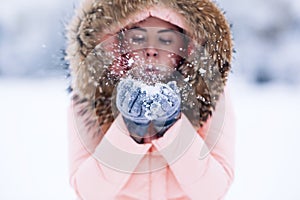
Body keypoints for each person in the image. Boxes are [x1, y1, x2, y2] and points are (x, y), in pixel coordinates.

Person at [66, 0, 235, 199]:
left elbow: (213, 191)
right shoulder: (88, 101)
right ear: (118, 46)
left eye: (166, 40)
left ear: (186, 49)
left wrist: (172, 128)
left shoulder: (211, 99)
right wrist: (129, 130)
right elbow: (88, 192)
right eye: (138, 38)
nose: (151, 50)